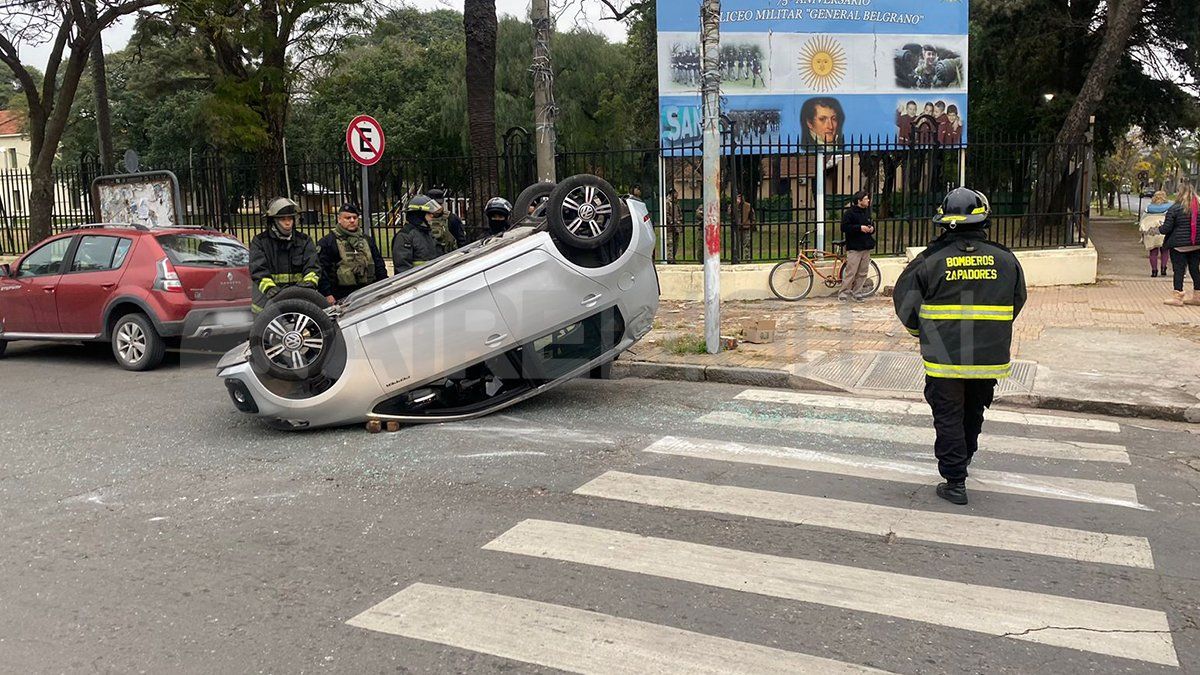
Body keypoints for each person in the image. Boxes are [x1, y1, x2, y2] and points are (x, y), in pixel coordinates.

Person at [893, 187, 1027, 505]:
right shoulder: (1006, 260)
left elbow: (905, 304)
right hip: (987, 354)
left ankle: (955, 481)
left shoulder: (928, 261)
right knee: (973, 409)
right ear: (983, 220)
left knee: (948, 413)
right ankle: (963, 460)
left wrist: (920, 334)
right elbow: (1017, 300)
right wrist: (992, 330)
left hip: (944, 355)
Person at [248, 197, 321, 313]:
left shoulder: (304, 241)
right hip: (266, 304)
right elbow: (258, 269)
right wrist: (269, 288)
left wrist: (308, 284)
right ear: (273, 221)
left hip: (298, 302)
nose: (288, 223)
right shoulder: (260, 241)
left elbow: (313, 267)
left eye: (290, 219)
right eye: (282, 219)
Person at [316, 203, 388, 303]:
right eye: (348, 218)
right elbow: (322, 270)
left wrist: (384, 285)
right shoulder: (328, 242)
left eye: (355, 217)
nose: (352, 220)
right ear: (339, 219)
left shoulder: (367, 240)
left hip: (368, 292)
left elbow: (379, 264)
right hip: (341, 295)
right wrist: (327, 294)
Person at [1159, 181, 1200, 306]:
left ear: (1179, 193)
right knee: (1195, 269)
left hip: (1179, 246)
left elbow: (1166, 229)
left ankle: (1178, 296)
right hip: (1196, 244)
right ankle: (1197, 296)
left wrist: (1160, 227)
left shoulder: (1175, 208)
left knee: (1179, 270)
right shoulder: (1198, 208)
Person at [838, 190, 876, 302]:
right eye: (865, 198)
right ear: (859, 201)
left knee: (863, 272)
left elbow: (871, 223)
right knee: (851, 271)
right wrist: (859, 228)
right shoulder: (849, 213)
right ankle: (844, 292)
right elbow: (844, 227)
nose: (868, 200)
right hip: (854, 247)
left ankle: (857, 292)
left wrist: (871, 229)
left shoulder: (867, 212)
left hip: (866, 246)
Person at [392, 195, 446, 273]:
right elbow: (403, 269)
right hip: (416, 282)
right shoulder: (404, 236)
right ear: (419, 214)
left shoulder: (427, 233)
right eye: (428, 213)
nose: (432, 215)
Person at [1140, 191, 1171, 278]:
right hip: (1163, 230)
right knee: (1165, 251)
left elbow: (1142, 220)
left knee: (1153, 252)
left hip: (1151, 232)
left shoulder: (1149, 208)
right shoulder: (1169, 207)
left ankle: (1154, 271)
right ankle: (1163, 268)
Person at [733, 192, 755, 262]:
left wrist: (750, 224)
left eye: (740, 197)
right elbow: (730, 213)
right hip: (737, 228)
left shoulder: (748, 206)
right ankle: (737, 258)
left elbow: (752, 217)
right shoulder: (734, 205)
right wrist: (736, 206)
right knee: (737, 244)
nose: (739, 198)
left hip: (746, 228)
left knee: (747, 243)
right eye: (738, 197)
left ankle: (748, 258)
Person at [665, 187, 683, 263]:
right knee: (670, 243)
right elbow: (666, 214)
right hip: (670, 227)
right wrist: (672, 222)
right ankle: (670, 259)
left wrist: (679, 222)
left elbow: (679, 213)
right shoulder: (668, 203)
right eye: (675, 193)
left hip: (677, 227)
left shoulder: (676, 203)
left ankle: (673, 257)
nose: (676, 194)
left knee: (676, 243)